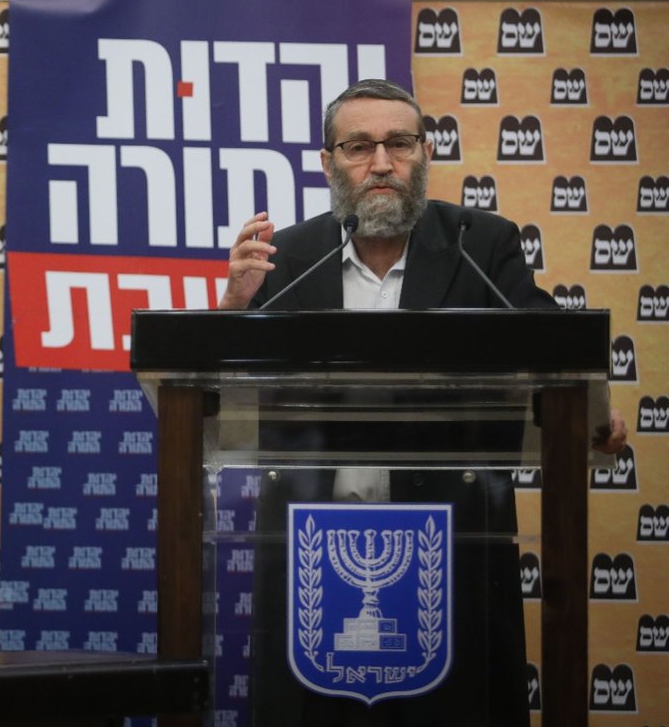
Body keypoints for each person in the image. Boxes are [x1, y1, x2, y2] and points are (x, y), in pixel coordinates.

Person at [217, 78, 624, 726]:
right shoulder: (287, 256)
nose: (381, 163)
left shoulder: (480, 244)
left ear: (425, 153)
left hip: (454, 551)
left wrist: (592, 411)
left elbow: (551, 345)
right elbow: (222, 404)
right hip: (315, 556)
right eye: (359, 146)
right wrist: (232, 310)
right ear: (328, 162)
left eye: (399, 143)